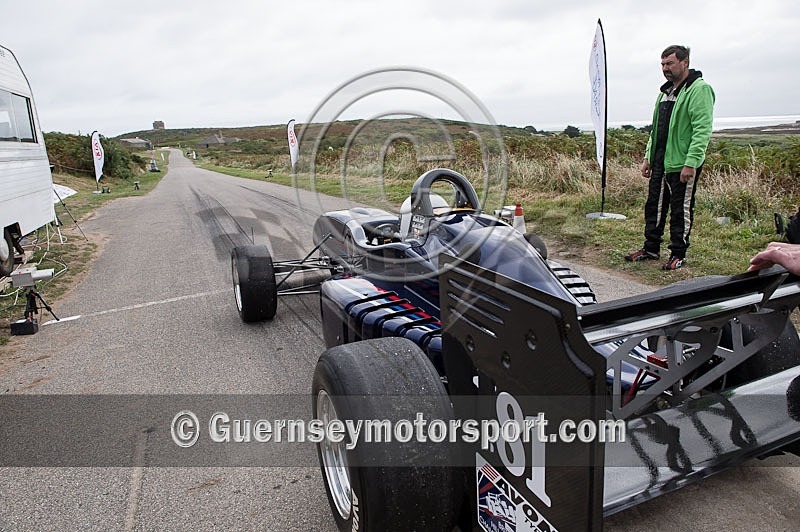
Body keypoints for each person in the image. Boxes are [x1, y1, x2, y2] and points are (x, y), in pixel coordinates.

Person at [625, 45, 715, 270]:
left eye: (670, 64)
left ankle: (678, 253)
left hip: (682, 163)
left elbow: (701, 130)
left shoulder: (699, 89)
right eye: (663, 64)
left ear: (685, 62)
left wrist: (691, 163)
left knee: (679, 210)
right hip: (660, 160)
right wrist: (648, 157)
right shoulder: (664, 92)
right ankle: (650, 248)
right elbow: (656, 129)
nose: (665, 68)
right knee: (654, 206)